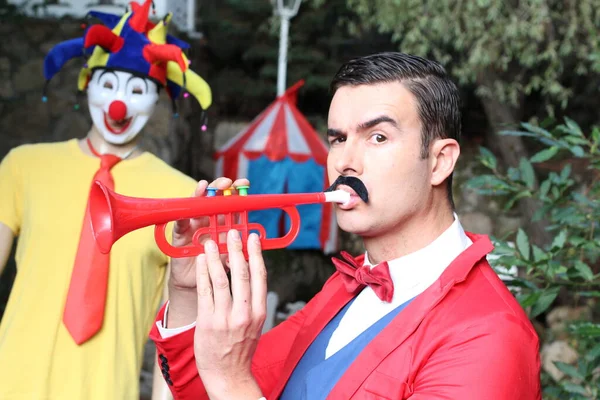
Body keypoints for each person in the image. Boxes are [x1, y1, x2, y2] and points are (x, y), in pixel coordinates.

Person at [149, 52, 542, 399]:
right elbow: (208, 390)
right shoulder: (344, 287)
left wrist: (232, 382)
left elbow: (231, 385)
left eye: (378, 136)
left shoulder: (488, 334)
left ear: (439, 162)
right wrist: (186, 292)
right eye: (337, 139)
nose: (343, 162)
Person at [0, 1, 212, 399]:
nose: (120, 103)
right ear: (86, 83)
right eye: (108, 85)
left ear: (158, 99)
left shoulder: (184, 195)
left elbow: (177, 328)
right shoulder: (23, 166)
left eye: (137, 90)